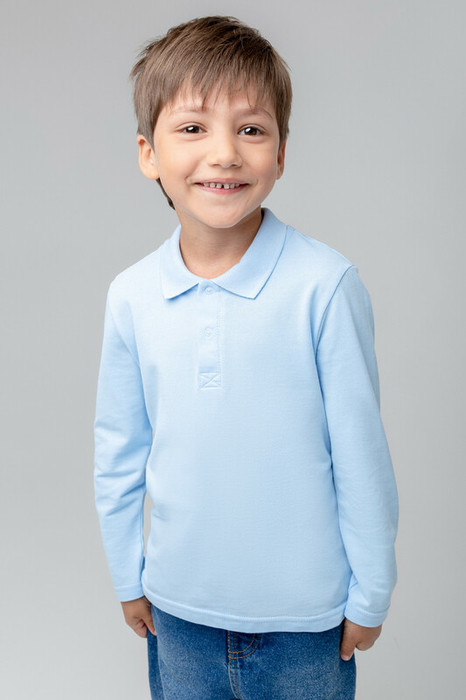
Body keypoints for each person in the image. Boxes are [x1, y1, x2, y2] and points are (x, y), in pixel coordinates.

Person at [94, 15, 398, 700]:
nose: (225, 153)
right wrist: (126, 576)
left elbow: (360, 453)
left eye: (251, 130)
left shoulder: (325, 286)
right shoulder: (132, 296)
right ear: (148, 153)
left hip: (307, 625)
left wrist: (371, 592)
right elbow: (118, 450)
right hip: (178, 613)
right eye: (193, 127)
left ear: (281, 153)